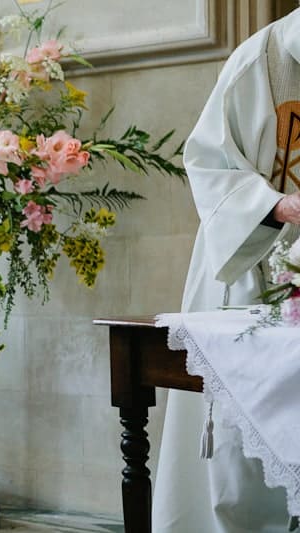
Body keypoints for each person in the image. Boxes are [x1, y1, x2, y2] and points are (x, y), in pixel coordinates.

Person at [152, 7, 300, 533]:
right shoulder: (258, 61)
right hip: (251, 259)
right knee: (240, 450)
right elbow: (206, 160)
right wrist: (276, 205)